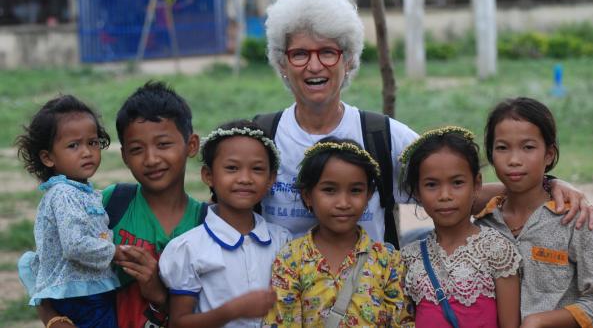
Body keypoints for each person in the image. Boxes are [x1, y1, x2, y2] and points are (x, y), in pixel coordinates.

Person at [254, 0, 593, 248]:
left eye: (328, 52)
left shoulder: (382, 136)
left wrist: (549, 187)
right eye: (300, 54)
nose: (314, 65)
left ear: (349, 60)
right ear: (282, 63)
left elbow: (457, 191)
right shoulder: (263, 138)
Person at [28, 81, 207, 328]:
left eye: (163, 144)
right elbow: (48, 267)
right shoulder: (110, 203)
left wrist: (158, 293)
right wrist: (53, 319)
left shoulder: (207, 224)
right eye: (136, 149)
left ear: (191, 145)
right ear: (124, 156)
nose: (152, 159)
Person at [263, 137, 415, 327]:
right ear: (308, 195)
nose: (343, 203)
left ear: (368, 196)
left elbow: (403, 322)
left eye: (355, 190)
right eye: (329, 190)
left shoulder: (389, 261)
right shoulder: (291, 259)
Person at [475, 97, 593, 327]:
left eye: (528, 147)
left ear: (549, 154)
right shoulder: (483, 224)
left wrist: (539, 321)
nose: (514, 160)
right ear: (491, 154)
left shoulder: (574, 219)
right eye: (502, 148)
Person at [159, 120, 291, 328]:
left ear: (271, 178)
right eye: (232, 168)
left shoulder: (283, 241)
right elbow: (179, 323)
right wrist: (234, 310)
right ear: (208, 176)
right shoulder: (189, 249)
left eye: (257, 169)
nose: (245, 178)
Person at [400, 126, 521, 328]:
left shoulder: (496, 250)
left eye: (457, 183)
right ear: (417, 192)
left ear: (476, 184)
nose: (445, 195)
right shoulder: (409, 258)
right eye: (431, 185)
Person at [16, 95, 120, 328]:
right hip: (81, 295)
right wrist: (115, 252)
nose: (87, 152)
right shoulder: (64, 193)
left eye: (92, 142)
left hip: (83, 291)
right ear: (48, 157)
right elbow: (75, 245)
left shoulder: (80, 191)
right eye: (74, 145)